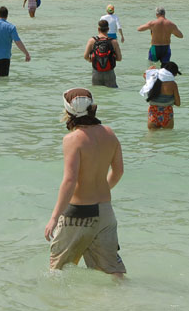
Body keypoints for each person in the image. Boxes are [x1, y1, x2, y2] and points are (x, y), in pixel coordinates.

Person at [45, 88, 126, 278]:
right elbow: (119, 171)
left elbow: (70, 180)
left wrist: (54, 217)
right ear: (91, 108)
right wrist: (103, 189)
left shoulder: (72, 139)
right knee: (113, 271)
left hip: (79, 214)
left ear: (68, 112)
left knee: (57, 270)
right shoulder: (109, 133)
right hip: (106, 212)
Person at [0, 6, 30, 77]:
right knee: (3, 81)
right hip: (5, 58)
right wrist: (26, 53)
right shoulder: (11, 27)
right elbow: (18, 42)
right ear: (7, 16)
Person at [141, 62, 181, 129]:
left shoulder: (151, 80)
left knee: (152, 138)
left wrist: (151, 69)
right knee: (168, 138)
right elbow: (178, 103)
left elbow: (145, 74)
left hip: (153, 113)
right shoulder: (173, 84)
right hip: (167, 114)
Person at [84, 20, 122, 88]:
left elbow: (85, 56)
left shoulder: (92, 41)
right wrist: (110, 58)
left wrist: (91, 60)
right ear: (108, 29)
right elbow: (119, 58)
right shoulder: (114, 41)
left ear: (98, 29)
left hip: (96, 72)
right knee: (111, 93)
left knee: (97, 93)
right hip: (109, 72)